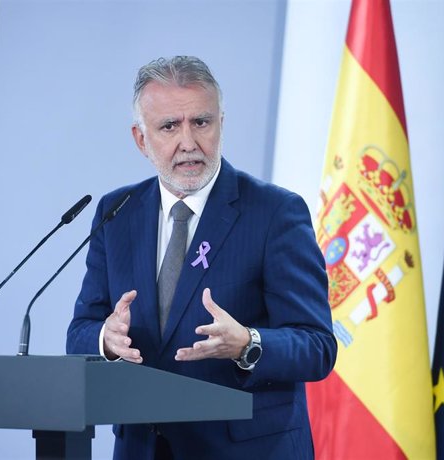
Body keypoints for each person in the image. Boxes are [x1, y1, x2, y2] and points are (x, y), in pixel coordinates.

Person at [67, 56, 336, 460]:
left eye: (201, 122)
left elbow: (317, 347)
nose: (188, 142)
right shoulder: (117, 211)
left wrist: (249, 343)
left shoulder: (275, 212)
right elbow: (80, 332)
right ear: (141, 139)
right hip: (142, 448)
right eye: (169, 126)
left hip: (247, 450)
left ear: (221, 125)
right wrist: (107, 339)